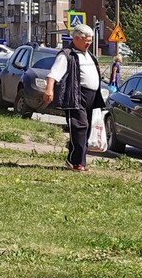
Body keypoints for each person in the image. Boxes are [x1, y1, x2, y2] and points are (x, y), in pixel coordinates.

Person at [42, 22, 102, 171]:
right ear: (76, 38)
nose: (89, 43)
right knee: (80, 127)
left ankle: (74, 160)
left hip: (91, 97)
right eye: (86, 40)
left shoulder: (88, 55)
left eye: (90, 40)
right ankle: (77, 163)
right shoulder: (66, 55)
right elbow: (54, 74)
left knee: (86, 129)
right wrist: (49, 90)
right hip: (76, 95)